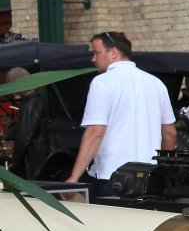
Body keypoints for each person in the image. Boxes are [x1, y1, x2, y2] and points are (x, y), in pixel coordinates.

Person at [66, 31, 176, 196]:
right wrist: (164, 171)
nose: (93, 59)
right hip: (150, 177)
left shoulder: (102, 83)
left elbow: (95, 132)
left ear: (114, 53)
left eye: (96, 53)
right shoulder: (157, 84)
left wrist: (74, 177)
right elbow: (170, 133)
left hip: (111, 175)